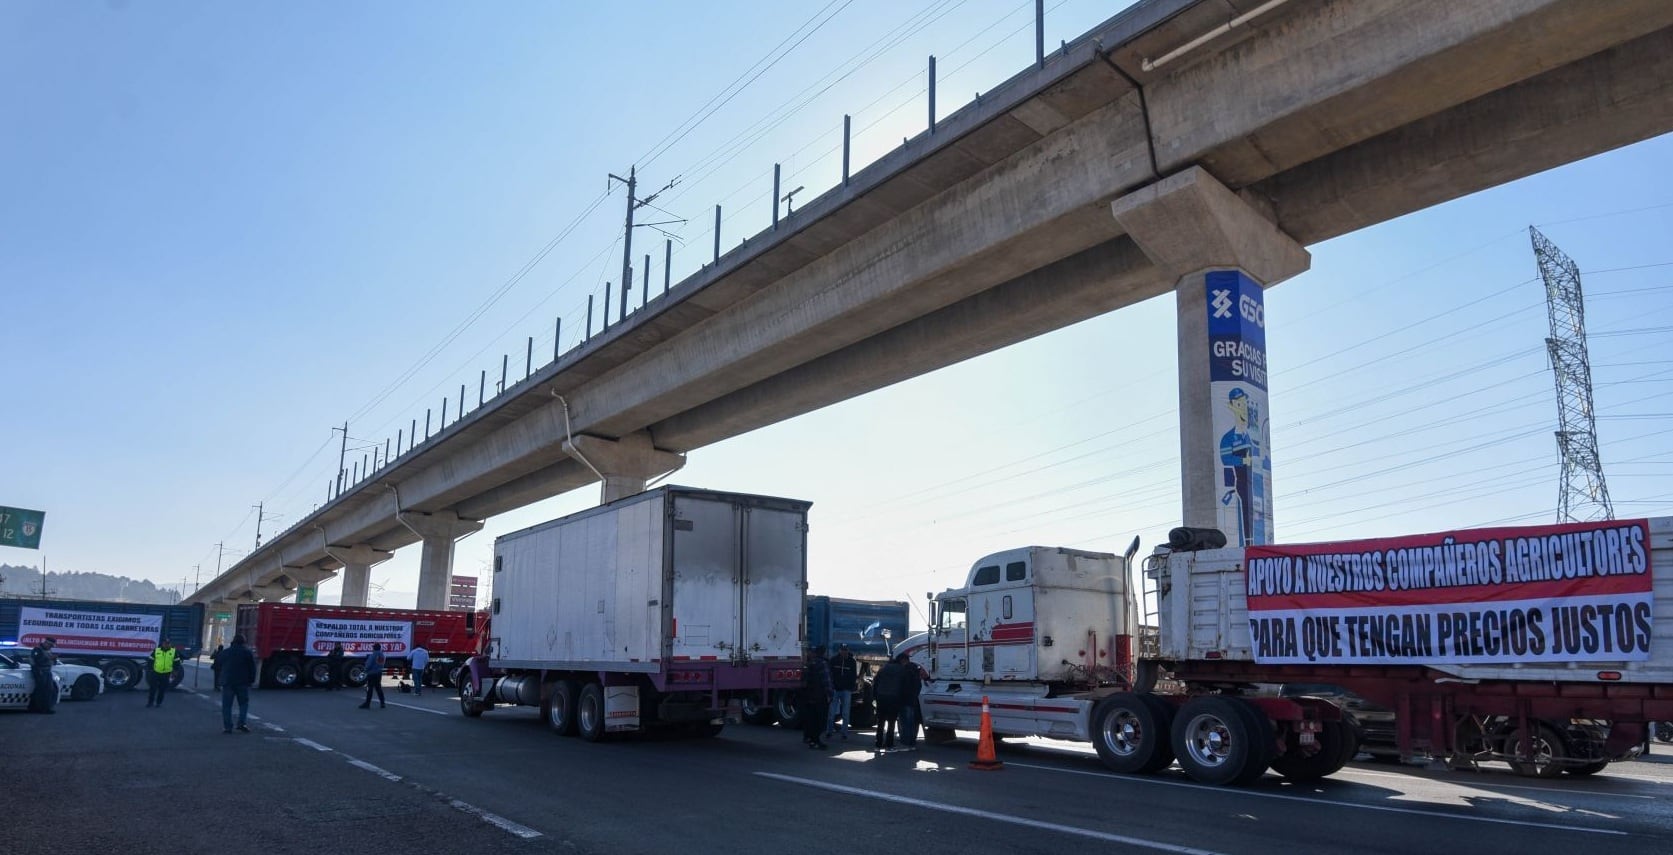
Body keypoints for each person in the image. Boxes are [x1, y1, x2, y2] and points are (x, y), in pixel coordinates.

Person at [219, 634, 257, 734]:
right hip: (242, 682)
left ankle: (227, 727)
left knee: (227, 706)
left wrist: (221, 679)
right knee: (243, 704)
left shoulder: (226, 652)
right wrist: (251, 680)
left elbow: (218, 663)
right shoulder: (247, 652)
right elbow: (252, 668)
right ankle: (241, 724)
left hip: (228, 682)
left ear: (233, 641)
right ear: (244, 642)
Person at [871, 653, 908, 751]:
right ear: (903, 660)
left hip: (881, 697)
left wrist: (875, 696)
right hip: (893, 698)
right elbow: (904, 686)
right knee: (891, 722)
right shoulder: (901, 670)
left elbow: (875, 682)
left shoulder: (884, 668)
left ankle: (878, 744)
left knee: (881, 722)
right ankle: (889, 745)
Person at [799, 647, 831, 749]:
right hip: (820, 696)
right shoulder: (822, 664)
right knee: (821, 720)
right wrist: (830, 694)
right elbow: (826, 681)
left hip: (809, 696)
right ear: (823, 653)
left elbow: (803, 681)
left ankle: (811, 740)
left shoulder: (808, 664)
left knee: (812, 719)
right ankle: (816, 741)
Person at [826, 644, 857, 741]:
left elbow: (853, 675)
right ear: (839, 650)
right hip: (835, 689)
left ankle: (844, 733)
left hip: (846, 690)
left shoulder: (852, 662)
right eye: (842, 650)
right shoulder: (834, 660)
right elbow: (829, 674)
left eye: (845, 650)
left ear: (848, 650)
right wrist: (831, 687)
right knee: (831, 712)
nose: (844, 652)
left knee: (845, 713)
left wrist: (851, 688)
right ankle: (829, 731)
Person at [897, 654, 924, 749]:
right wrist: (914, 695)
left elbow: (903, 686)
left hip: (905, 700)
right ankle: (912, 741)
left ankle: (906, 741)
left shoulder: (905, 671)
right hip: (913, 700)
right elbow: (919, 686)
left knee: (905, 722)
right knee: (913, 721)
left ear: (903, 661)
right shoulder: (915, 670)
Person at [146, 638, 179, 708]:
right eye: (165, 643)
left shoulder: (173, 651)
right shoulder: (156, 650)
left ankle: (158, 703)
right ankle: (150, 703)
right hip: (156, 672)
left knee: (162, 689)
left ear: (170, 644)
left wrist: (175, 671)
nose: (166, 645)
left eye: (168, 643)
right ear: (162, 644)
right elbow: (150, 660)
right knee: (152, 689)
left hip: (166, 674)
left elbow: (177, 662)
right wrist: (150, 670)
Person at [28, 637, 57, 714]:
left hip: (47, 671)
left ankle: (44, 707)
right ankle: (39, 708)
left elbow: (51, 661)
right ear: (46, 643)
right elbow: (34, 661)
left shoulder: (48, 650)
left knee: (49, 689)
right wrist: (37, 671)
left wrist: (54, 659)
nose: (51, 647)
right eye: (50, 645)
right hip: (40, 671)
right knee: (42, 690)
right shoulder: (38, 650)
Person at [358, 642, 387, 709]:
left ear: (374, 648)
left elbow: (369, 664)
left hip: (372, 673)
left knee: (369, 688)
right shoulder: (382, 655)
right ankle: (382, 703)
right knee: (378, 688)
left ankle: (367, 703)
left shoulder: (373, 655)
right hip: (379, 673)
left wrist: (365, 670)